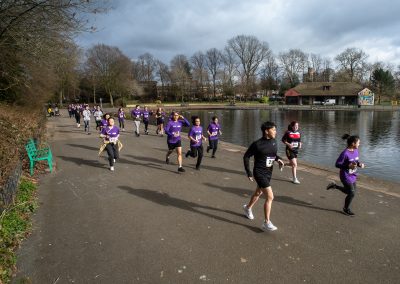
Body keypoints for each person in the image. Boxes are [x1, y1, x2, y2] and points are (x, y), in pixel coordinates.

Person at [243, 121, 284, 231]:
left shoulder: (274, 142)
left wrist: (278, 159)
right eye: (273, 130)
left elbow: (272, 155)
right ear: (266, 131)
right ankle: (266, 222)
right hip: (259, 173)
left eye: (275, 129)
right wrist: (249, 172)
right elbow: (246, 156)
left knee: (258, 192)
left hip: (268, 173)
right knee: (270, 197)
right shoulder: (257, 144)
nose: (276, 132)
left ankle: (247, 208)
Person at [326, 134, 365, 216]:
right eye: (358, 143)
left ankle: (335, 186)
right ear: (353, 143)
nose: (359, 144)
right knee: (352, 193)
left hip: (353, 175)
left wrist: (359, 164)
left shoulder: (356, 151)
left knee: (350, 192)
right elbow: (337, 164)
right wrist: (348, 166)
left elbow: (356, 161)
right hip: (345, 175)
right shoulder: (345, 153)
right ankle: (346, 209)